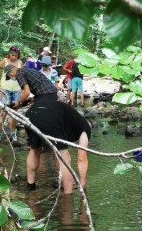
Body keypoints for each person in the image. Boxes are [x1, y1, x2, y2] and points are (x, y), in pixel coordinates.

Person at [12, 65, 91, 194]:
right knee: (64, 156)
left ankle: (31, 186)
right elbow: (81, 158)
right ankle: (68, 195)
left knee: (34, 150)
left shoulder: (71, 118)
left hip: (32, 112)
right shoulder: (85, 127)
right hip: (48, 114)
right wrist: (83, 185)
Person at [0, 47, 22, 142]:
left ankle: (12, 133)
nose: (14, 57)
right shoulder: (4, 61)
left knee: (14, 112)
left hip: (17, 90)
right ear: (9, 54)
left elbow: (21, 76)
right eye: (12, 55)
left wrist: (22, 89)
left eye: (16, 56)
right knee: (3, 111)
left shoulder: (20, 63)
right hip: (5, 89)